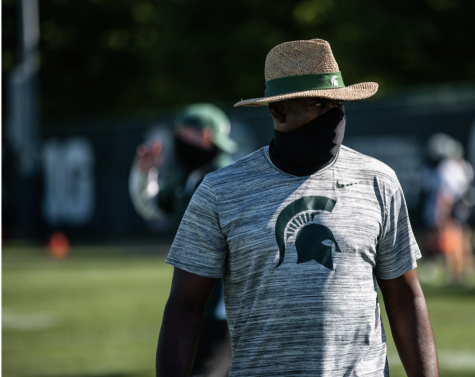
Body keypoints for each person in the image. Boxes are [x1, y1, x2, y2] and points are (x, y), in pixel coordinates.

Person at [157, 39, 438, 376]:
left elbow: (405, 295)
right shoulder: (221, 190)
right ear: (279, 110)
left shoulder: (379, 180)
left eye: (339, 104)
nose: (333, 116)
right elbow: (185, 305)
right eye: (320, 104)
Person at [129, 103, 237, 376]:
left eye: (184, 133)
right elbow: (151, 206)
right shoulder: (187, 178)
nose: (178, 141)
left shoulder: (224, 177)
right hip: (198, 302)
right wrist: (144, 174)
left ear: (205, 136)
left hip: (220, 308)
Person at [422, 133, 474, 283]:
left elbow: (446, 194)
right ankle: (462, 272)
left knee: (453, 239)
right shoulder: (464, 166)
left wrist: (443, 212)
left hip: (453, 205)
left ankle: (456, 275)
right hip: (463, 203)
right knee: (463, 237)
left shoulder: (447, 167)